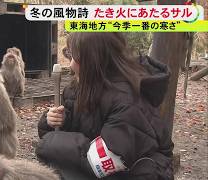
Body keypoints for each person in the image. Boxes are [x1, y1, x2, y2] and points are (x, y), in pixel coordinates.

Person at [36, 32, 174, 180]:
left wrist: (49, 143)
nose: (70, 64)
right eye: (70, 55)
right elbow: (84, 128)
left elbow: (101, 161)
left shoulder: (127, 101)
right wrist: (55, 121)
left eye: (76, 58)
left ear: (94, 60)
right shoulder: (79, 89)